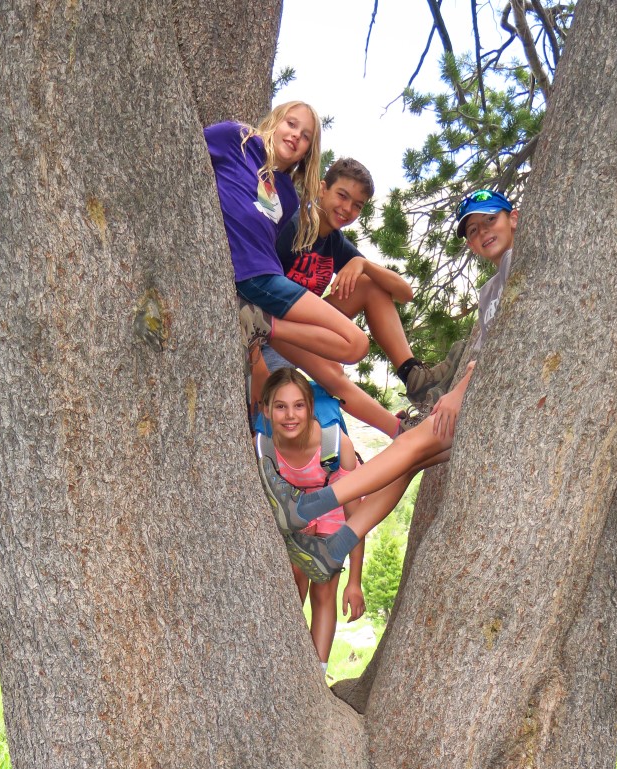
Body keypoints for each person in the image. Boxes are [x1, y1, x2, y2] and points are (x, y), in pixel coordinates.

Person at [257, 189, 518, 580]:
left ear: (513, 217)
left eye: (490, 222)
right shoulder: (490, 290)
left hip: (491, 399)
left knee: (408, 445)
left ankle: (304, 509)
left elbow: (495, 350)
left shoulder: (520, 265)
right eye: (473, 231)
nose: (482, 234)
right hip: (482, 397)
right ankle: (333, 550)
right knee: (406, 463)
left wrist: (456, 394)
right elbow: (486, 355)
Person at [256, 158, 450, 437]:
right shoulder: (292, 227)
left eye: (357, 205)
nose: (347, 209)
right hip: (268, 336)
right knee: (334, 374)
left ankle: (413, 376)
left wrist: (364, 265)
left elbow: (404, 294)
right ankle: (400, 430)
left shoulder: (333, 241)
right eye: (342, 196)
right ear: (322, 189)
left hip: (298, 332)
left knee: (369, 285)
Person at [204, 103, 369, 368]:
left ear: (307, 151)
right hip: (251, 275)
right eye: (291, 124)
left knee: (355, 345)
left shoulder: (289, 197)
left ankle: (261, 325)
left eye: (305, 136)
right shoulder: (235, 139)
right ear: (275, 121)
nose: (295, 136)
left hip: (267, 280)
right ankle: (261, 326)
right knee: (354, 341)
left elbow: (266, 243)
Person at [257, 367, 364, 670]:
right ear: (266, 409)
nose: (290, 416)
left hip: (331, 502)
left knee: (324, 586)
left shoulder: (335, 444)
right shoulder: (262, 446)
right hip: (290, 507)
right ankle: (283, 662)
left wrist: (355, 581)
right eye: (280, 406)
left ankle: (318, 671)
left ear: (310, 408)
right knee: (291, 579)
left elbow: (355, 516)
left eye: (299, 405)